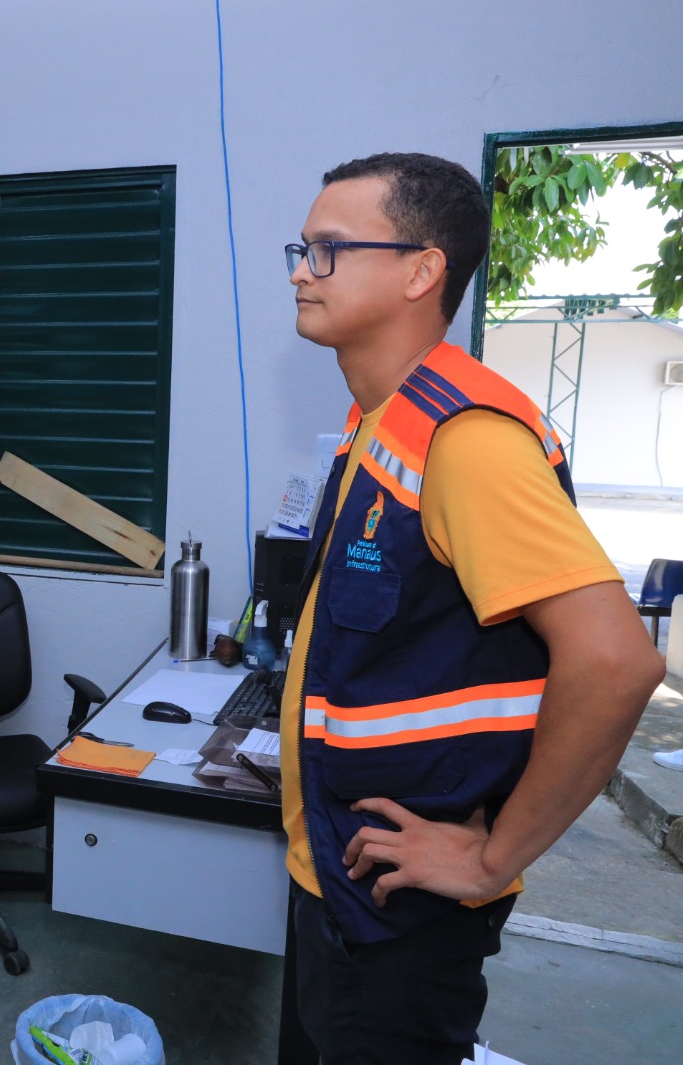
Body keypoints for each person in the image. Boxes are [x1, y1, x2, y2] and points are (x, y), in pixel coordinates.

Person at [278, 153, 664, 1064]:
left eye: (329, 249)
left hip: (399, 903)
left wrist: (492, 859)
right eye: (302, 249)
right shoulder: (382, 419)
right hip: (339, 864)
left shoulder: (466, 439)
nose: (301, 271)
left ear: (422, 270)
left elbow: (616, 661)